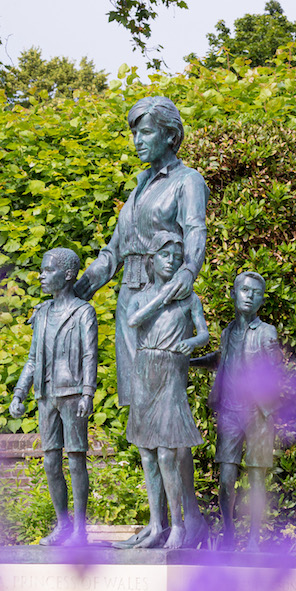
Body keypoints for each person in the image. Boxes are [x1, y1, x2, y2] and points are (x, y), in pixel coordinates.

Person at [75, 95, 209, 544]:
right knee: (143, 421)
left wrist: (186, 275)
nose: (136, 140)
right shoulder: (137, 188)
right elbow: (112, 250)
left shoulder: (187, 181)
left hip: (164, 305)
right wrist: (87, 281)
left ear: (170, 134)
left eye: (145, 131)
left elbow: (196, 233)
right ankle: (159, 525)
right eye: (134, 132)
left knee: (167, 421)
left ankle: (188, 522)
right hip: (130, 308)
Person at [123, 233, 209, 549]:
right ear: (152, 260)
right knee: (146, 453)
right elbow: (133, 320)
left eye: (176, 256)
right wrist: (162, 297)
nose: (171, 261)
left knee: (167, 452)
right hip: (145, 369)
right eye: (165, 255)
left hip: (171, 369)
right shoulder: (139, 297)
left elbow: (204, 334)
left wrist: (193, 342)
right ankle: (155, 524)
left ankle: (178, 525)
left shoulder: (189, 299)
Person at [9, 248, 98, 546]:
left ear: (68, 274)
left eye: (48, 270)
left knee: (75, 460)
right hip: (45, 394)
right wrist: (20, 391)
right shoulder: (42, 312)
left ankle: (80, 531)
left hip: (72, 393)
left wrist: (88, 392)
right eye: (42, 270)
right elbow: (33, 358)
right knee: (50, 462)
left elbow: (90, 355)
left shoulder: (84, 312)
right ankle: (63, 525)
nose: (41, 275)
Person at [192, 271, 281, 551]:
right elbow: (221, 360)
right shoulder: (229, 331)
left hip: (257, 414)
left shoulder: (267, 332)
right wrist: (188, 362)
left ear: (261, 300)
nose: (249, 295)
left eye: (255, 292)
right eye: (244, 290)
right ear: (234, 294)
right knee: (226, 480)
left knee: (256, 480)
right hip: (230, 412)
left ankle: (254, 540)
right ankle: (229, 534)